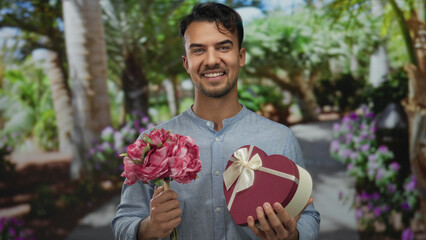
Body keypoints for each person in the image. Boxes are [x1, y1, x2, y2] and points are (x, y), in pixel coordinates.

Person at [112, 2, 320, 240]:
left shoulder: (280, 138)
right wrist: (148, 227)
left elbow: (309, 217)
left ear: (240, 56)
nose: (211, 60)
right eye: (198, 50)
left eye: (223, 47)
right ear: (186, 63)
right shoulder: (152, 145)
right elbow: (123, 223)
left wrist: (292, 236)